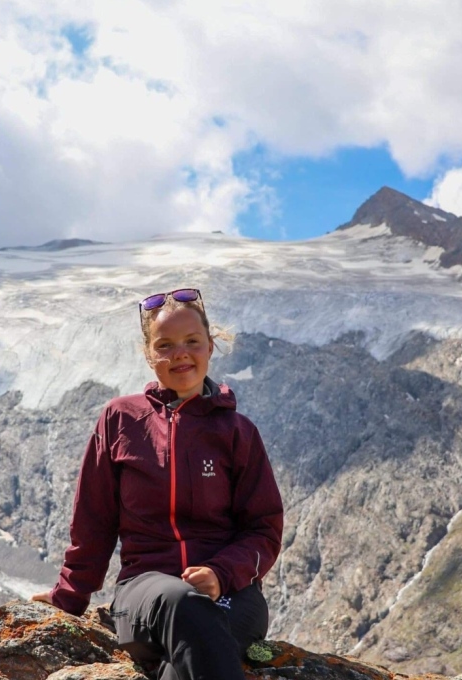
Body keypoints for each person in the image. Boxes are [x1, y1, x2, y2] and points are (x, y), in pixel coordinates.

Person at [32, 287, 284, 680]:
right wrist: (68, 597)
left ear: (210, 347)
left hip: (234, 595)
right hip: (145, 593)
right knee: (186, 606)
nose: (180, 353)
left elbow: (264, 530)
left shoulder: (238, 433)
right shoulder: (119, 420)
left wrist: (220, 573)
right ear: (149, 355)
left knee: (185, 662)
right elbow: (93, 522)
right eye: (164, 345)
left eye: (192, 341)